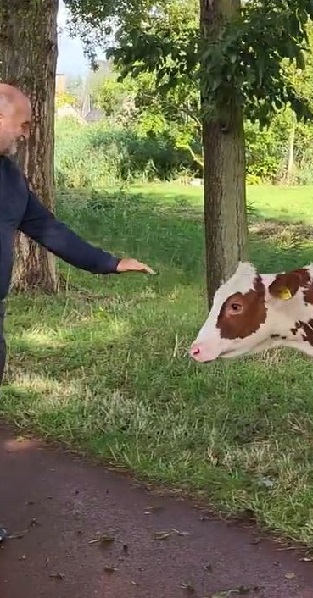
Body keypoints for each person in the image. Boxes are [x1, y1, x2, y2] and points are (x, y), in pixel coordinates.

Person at [0, 83, 155, 544]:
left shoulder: (10, 180)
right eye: (23, 122)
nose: (28, 132)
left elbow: (48, 229)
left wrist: (108, 262)